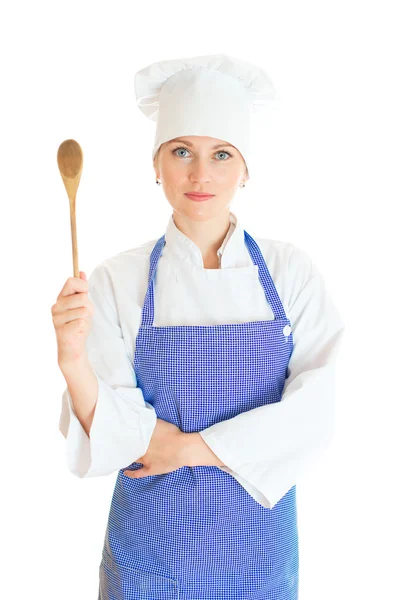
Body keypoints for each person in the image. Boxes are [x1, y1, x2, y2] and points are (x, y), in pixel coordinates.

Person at [53, 53, 345, 600]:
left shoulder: (290, 273)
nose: (200, 174)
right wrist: (73, 360)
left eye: (222, 154)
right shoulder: (118, 279)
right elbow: (115, 433)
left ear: (246, 168)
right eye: (182, 151)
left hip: (255, 550)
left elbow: (315, 411)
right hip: (149, 549)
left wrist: (185, 448)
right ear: (156, 163)